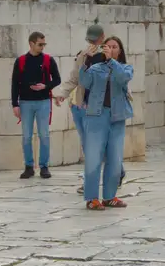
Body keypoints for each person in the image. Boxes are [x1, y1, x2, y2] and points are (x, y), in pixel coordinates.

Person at [53, 25, 108, 195]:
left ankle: (116, 172)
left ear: (102, 38)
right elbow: (74, 78)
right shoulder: (82, 56)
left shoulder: (108, 56)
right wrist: (61, 93)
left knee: (105, 145)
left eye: (95, 40)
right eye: (90, 40)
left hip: (102, 108)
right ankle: (89, 181)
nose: (93, 43)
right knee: (88, 145)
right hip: (82, 107)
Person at [81, 36, 134, 210]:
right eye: (108, 46)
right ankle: (91, 198)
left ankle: (110, 196)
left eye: (114, 46)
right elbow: (84, 82)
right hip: (96, 116)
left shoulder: (125, 68)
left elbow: (123, 77)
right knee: (93, 157)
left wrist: (112, 61)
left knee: (115, 158)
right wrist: (85, 60)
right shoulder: (96, 68)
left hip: (117, 117)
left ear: (120, 50)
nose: (110, 49)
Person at [11, 31, 61, 179]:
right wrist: (15, 104)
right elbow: (15, 84)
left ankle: (44, 166)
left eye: (44, 44)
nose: (42, 47)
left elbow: (57, 79)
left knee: (44, 135)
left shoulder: (48, 60)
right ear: (31, 44)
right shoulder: (20, 61)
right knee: (26, 136)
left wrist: (45, 86)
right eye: (40, 44)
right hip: (25, 102)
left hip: (43, 102)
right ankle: (28, 166)